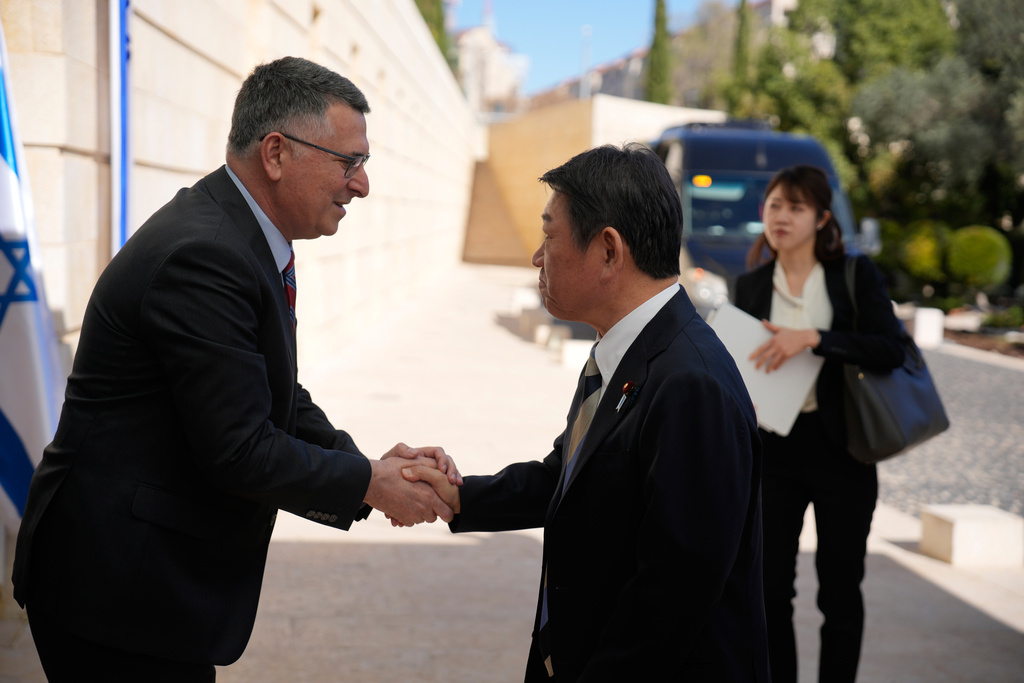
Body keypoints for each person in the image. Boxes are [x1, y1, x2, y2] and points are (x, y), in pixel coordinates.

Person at [12, 57, 460, 682]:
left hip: (148, 591)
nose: (362, 186)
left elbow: (275, 390)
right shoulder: (207, 254)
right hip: (120, 592)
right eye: (349, 162)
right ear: (276, 153)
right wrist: (369, 483)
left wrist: (373, 469)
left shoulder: (241, 235)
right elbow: (239, 449)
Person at [405, 144, 770, 682]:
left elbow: (672, 594)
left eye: (549, 235)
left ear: (607, 251)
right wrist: (459, 495)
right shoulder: (626, 350)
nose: (537, 256)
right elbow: (570, 477)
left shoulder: (691, 384)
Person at [733, 165, 905, 683]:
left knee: (840, 590)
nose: (782, 217)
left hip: (844, 451)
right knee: (768, 592)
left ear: (822, 218)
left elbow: (891, 348)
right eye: (774, 205)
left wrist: (812, 338)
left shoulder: (855, 276)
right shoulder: (750, 285)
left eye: (796, 207)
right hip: (775, 454)